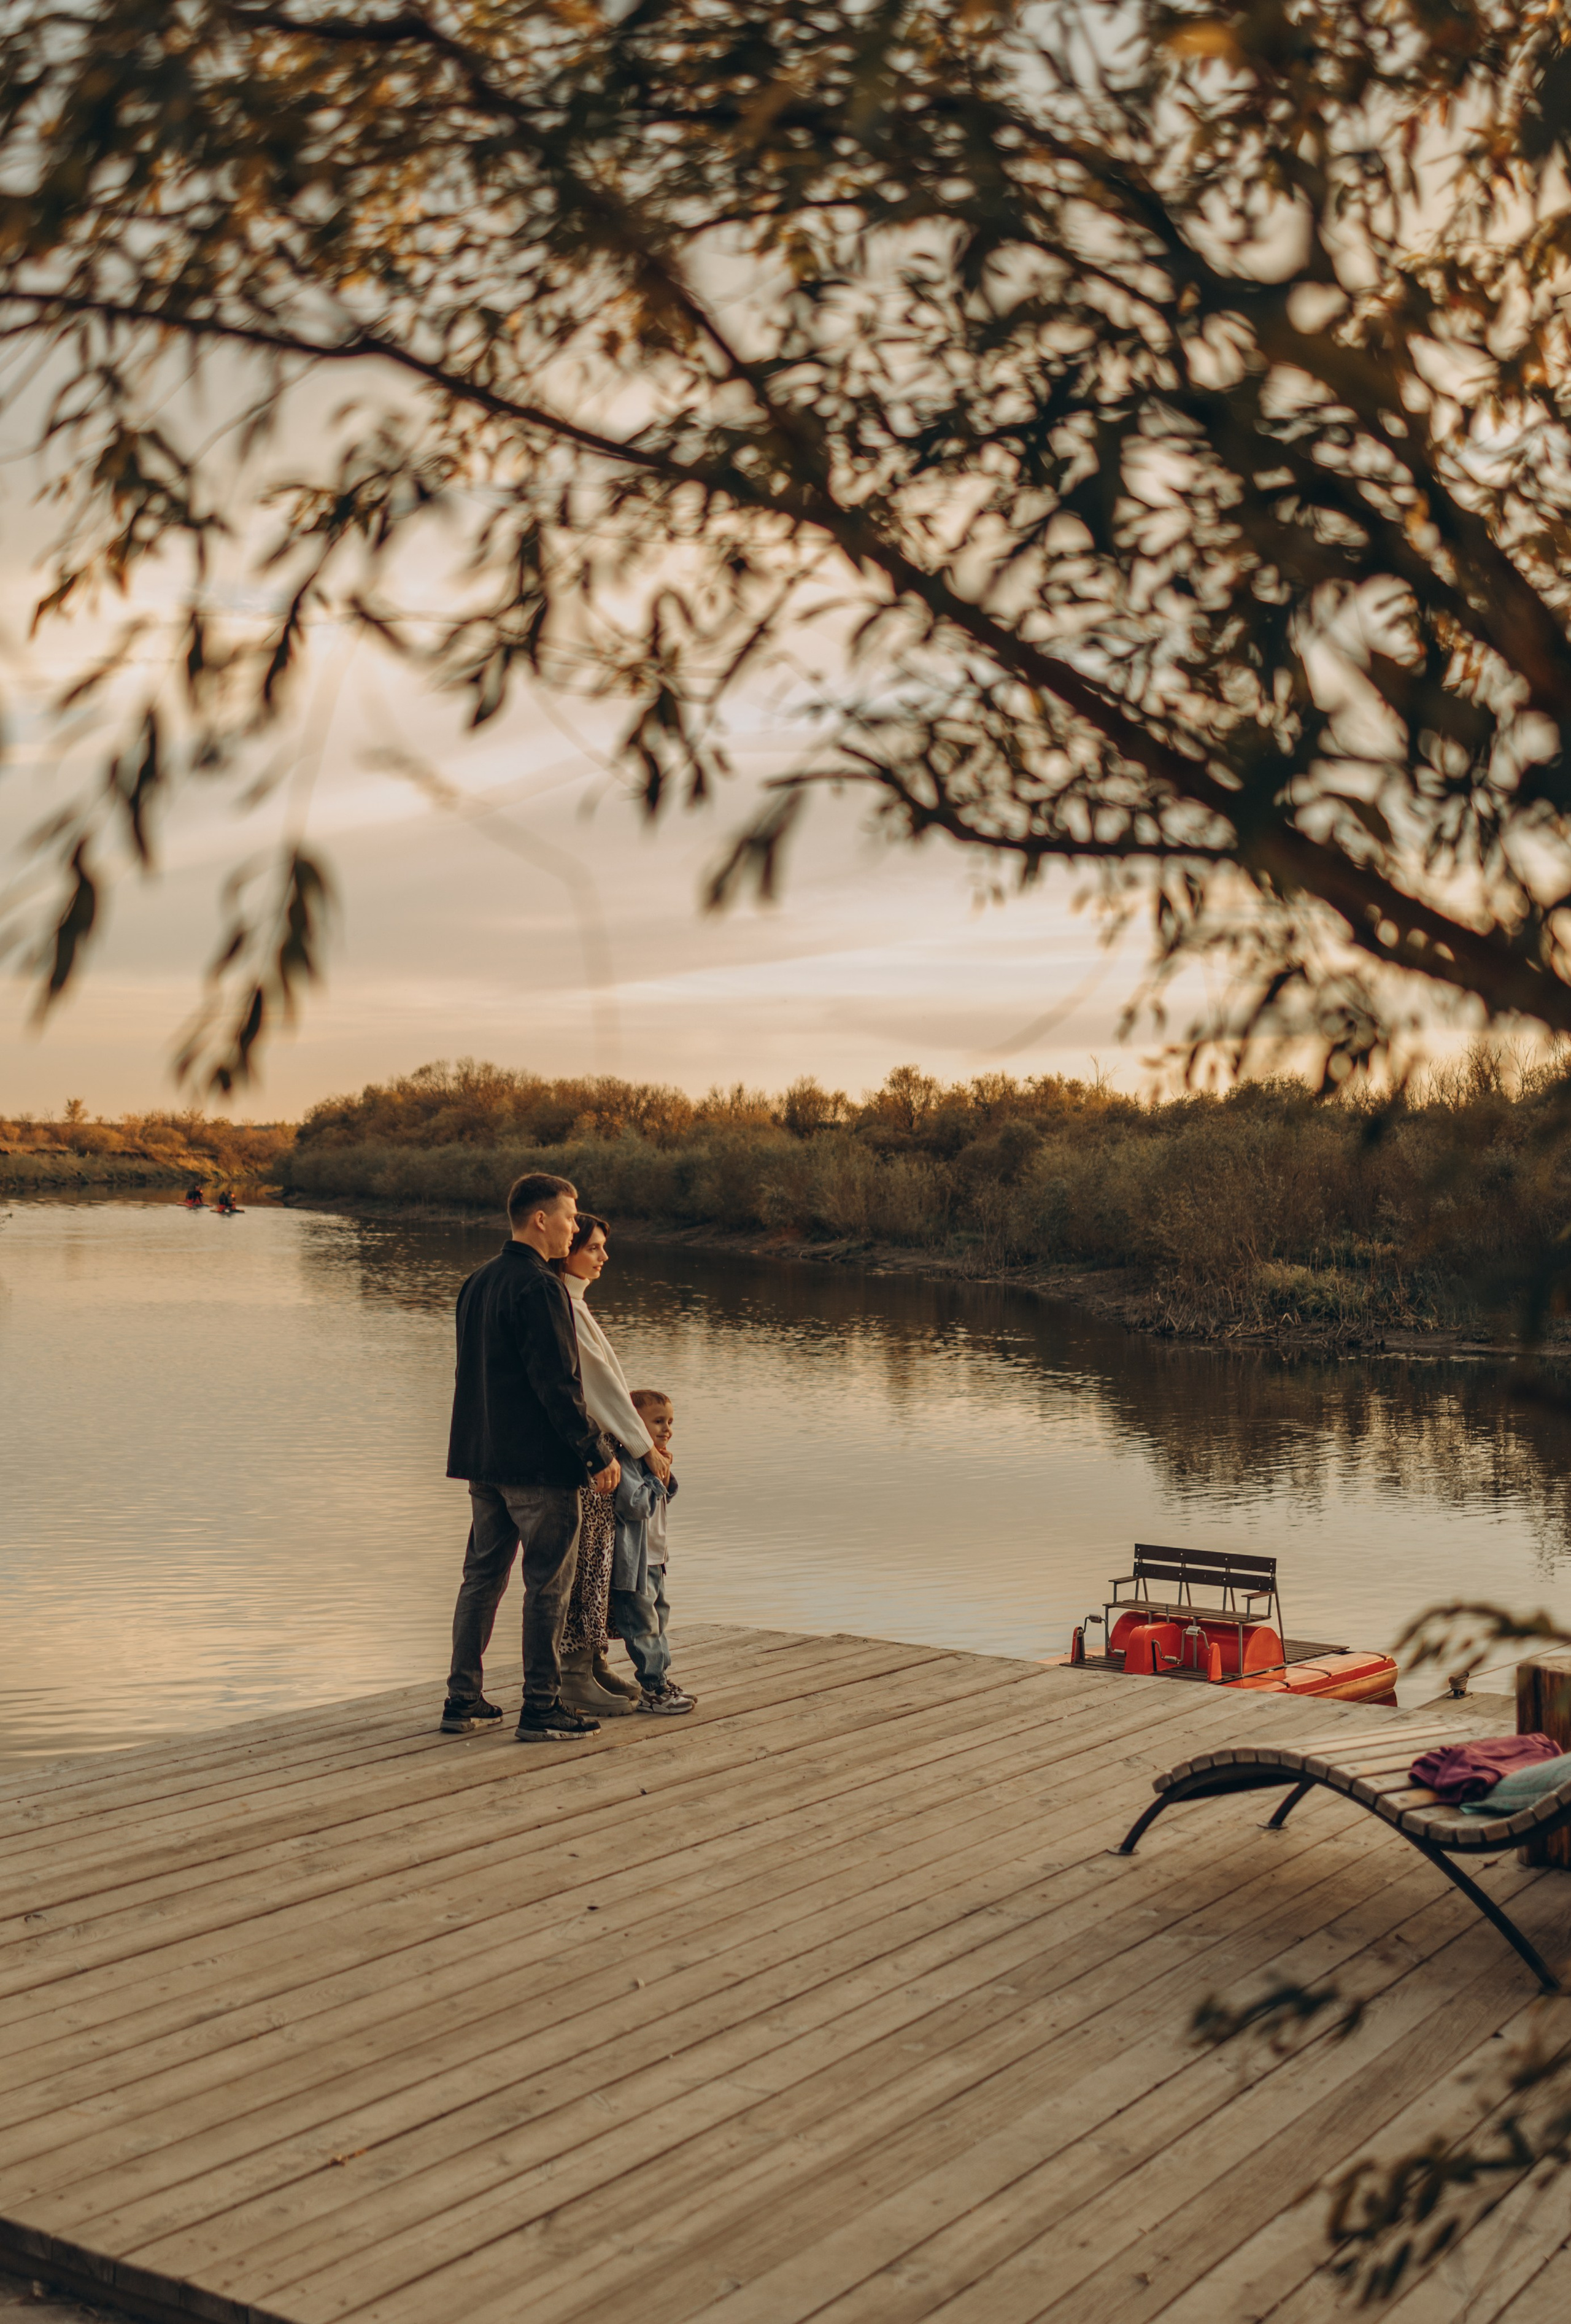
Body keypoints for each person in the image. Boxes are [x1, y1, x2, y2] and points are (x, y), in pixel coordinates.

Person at [442, 1172, 620, 1743]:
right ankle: (541, 1706)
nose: (575, 1225)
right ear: (540, 1219)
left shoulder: (477, 1281)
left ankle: (462, 1699)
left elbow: (467, 1375)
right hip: (539, 1466)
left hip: (483, 1458)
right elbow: (558, 1385)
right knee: (548, 1585)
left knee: (481, 1579)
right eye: (571, 1215)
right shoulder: (541, 1288)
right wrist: (595, 1453)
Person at [551, 1213, 673, 1718]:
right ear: (569, 1249)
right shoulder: (567, 1307)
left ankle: (592, 1662)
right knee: (586, 1567)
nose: (604, 1256)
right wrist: (645, 1448)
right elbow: (600, 1390)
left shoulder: (575, 1303)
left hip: (601, 1454)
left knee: (598, 1564)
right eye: (595, 1247)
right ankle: (574, 1673)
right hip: (588, 1458)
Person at [611, 1389, 695, 1715]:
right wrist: (655, 1477)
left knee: (660, 1619)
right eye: (658, 1421)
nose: (667, 1429)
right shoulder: (627, 1460)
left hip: (657, 1560)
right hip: (636, 1561)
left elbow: (660, 1500)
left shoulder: (650, 1461)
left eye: (670, 1422)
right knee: (643, 1625)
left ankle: (661, 1679)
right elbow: (633, 1505)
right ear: (634, 1424)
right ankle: (652, 1688)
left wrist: (664, 1475)